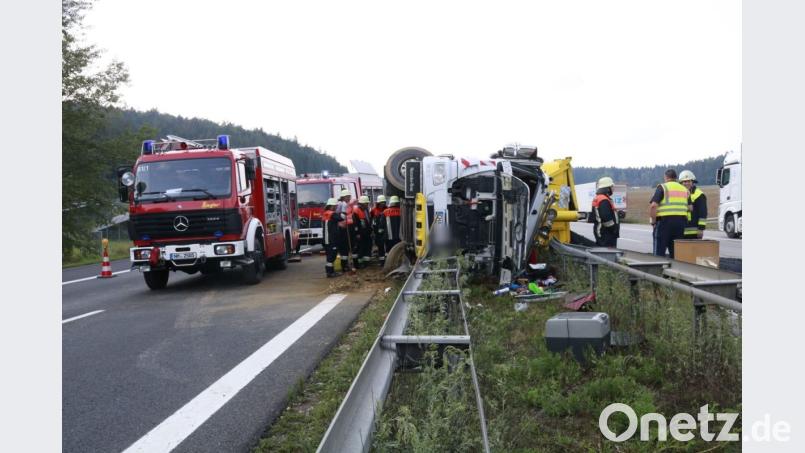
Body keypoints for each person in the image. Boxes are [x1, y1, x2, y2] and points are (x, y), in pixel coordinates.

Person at [649, 169, 690, 258]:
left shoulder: (663, 187)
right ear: (675, 178)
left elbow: (653, 206)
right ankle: (676, 271)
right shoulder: (684, 189)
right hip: (680, 223)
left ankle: (658, 269)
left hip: (664, 223)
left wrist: (653, 221)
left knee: (659, 252)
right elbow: (690, 208)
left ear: (666, 177)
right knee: (676, 253)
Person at [591, 176, 620, 247]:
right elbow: (606, 217)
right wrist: (614, 229)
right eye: (612, 187)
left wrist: (617, 214)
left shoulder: (600, 198)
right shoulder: (604, 200)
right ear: (607, 188)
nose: (613, 189)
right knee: (608, 254)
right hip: (606, 233)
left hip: (602, 232)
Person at [679, 170, 707, 239]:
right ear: (681, 183)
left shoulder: (699, 194)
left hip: (694, 232)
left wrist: (701, 229)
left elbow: (703, 213)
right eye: (684, 182)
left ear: (693, 182)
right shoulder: (679, 194)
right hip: (680, 231)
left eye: (689, 181)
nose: (687, 183)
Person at [321, 198, 340, 278]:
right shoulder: (332, 214)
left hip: (326, 239)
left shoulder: (326, 213)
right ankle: (330, 272)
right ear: (332, 206)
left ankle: (330, 272)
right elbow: (341, 218)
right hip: (331, 239)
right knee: (332, 255)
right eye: (335, 206)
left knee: (330, 255)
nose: (336, 207)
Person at [335, 189, 353, 272]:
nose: (349, 198)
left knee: (343, 248)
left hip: (340, 228)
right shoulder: (343, 204)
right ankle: (344, 266)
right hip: (341, 228)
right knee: (344, 248)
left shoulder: (339, 203)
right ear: (344, 197)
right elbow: (342, 216)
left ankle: (344, 265)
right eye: (348, 197)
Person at [354, 196, 373, 268]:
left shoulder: (366, 210)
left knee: (368, 246)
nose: (367, 205)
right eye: (366, 203)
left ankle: (366, 262)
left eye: (367, 203)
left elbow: (368, 221)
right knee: (361, 248)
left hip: (367, 232)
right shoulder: (356, 211)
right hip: (361, 233)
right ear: (361, 204)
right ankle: (360, 263)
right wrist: (357, 233)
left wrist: (371, 230)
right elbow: (355, 224)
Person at [371, 195, 387, 266]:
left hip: (385, 231)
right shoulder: (373, 210)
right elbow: (371, 219)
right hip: (376, 231)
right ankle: (382, 261)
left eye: (384, 202)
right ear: (378, 203)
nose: (382, 204)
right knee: (380, 246)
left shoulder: (387, 209)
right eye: (381, 202)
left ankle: (387, 261)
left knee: (386, 246)